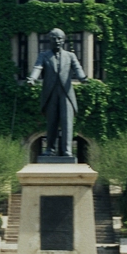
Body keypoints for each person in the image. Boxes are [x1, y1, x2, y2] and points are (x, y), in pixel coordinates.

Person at [27, 28, 88, 158]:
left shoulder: (70, 56)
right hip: (50, 94)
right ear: (50, 40)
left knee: (67, 122)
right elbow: (38, 67)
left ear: (63, 40)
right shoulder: (44, 55)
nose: (57, 41)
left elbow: (77, 67)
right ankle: (50, 149)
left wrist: (82, 78)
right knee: (52, 123)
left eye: (60, 38)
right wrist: (32, 79)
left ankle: (67, 150)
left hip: (66, 94)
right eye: (54, 38)